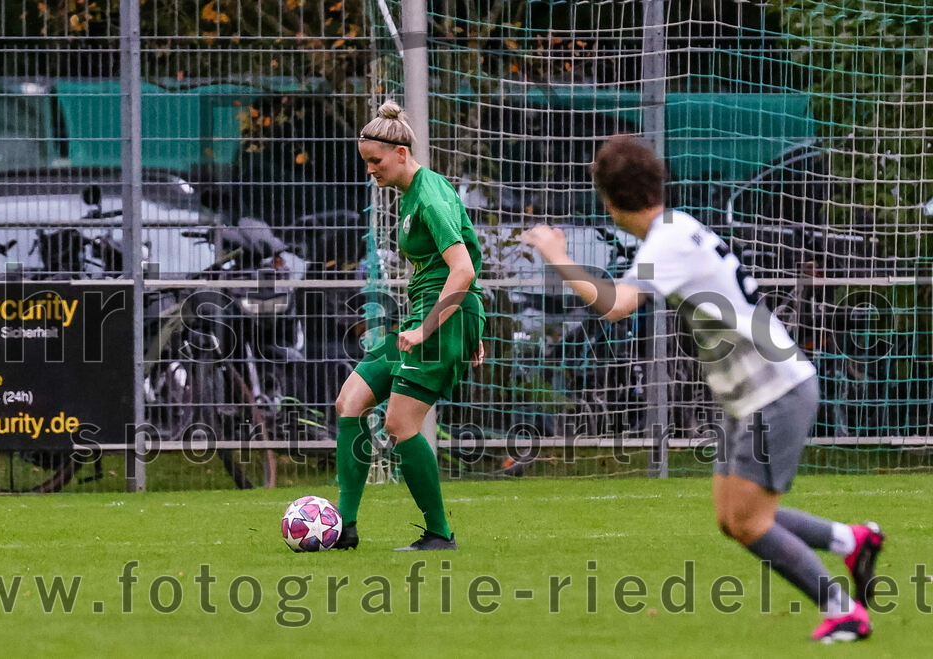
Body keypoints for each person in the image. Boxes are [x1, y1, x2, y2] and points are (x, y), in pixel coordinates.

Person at [521, 135, 885, 643]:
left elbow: (618, 303)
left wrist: (559, 257)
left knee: (751, 521)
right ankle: (853, 539)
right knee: (733, 517)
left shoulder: (666, 241)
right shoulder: (676, 227)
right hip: (751, 394)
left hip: (775, 391)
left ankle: (844, 609)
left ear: (608, 199)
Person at [333, 100, 486, 551]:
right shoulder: (413, 194)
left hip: (438, 321)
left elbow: (463, 272)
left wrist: (430, 331)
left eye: (375, 162)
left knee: (399, 425)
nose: (370, 171)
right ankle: (344, 527)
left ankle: (440, 534)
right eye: (366, 162)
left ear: (401, 153)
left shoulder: (431, 196)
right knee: (351, 401)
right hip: (431, 316)